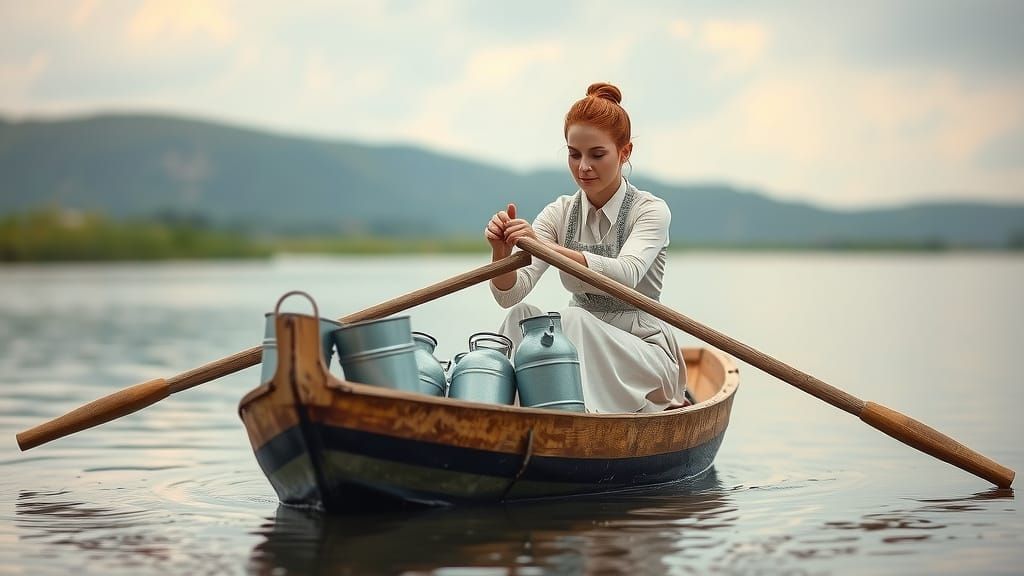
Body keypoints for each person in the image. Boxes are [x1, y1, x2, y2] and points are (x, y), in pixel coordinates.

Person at [485, 82, 687, 413]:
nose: (583, 167)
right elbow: (510, 294)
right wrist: (502, 255)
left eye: (597, 155)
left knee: (574, 320)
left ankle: (576, 421)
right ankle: (499, 411)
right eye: (574, 154)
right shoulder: (558, 214)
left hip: (644, 351)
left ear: (625, 153)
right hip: (579, 346)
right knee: (521, 317)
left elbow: (626, 273)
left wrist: (543, 247)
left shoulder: (650, 210)